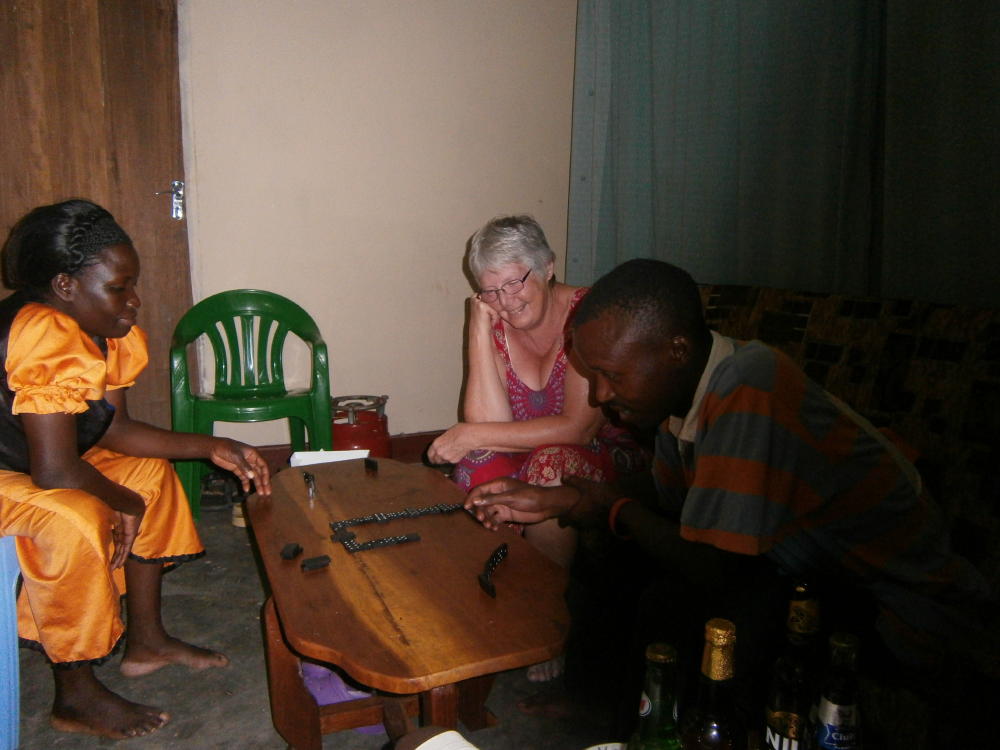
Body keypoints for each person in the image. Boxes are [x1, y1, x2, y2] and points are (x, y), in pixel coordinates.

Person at [464, 258, 993, 737]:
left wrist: (607, 508)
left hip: (896, 603)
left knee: (684, 597)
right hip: (809, 564)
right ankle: (611, 708)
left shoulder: (749, 387)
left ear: (676, 350)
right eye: (592, 376)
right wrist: (559, 500)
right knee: (622, 552)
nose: (600, 395)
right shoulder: (681, 397)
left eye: (611, 375)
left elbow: (716, 565)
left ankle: (645, 724)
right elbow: (668, 495)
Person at [0, 199, 272, 739]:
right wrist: (120, 501)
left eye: (133, 284)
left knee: (149, 474)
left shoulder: (104, 328)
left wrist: (210, 446)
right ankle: (74, 694)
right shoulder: (43, 332)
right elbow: (54, 471)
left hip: (37, 462)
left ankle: (147, 641)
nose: (134, 300)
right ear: (65, 286)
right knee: (75, 519)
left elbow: (114, 429)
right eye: (118, 288)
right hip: (15, 469)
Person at [426, 216, 647, 684]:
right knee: (477, 462)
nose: (506, 301)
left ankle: (549, 617)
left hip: (604, 454)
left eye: (514, 283)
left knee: (549, 462)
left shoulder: (590, 314)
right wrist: (477, 328)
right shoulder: (494, 316)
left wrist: (471, 434)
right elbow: (486, 427)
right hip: (527, 448)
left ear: (547, 267)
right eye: (490, 291)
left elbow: (577, 429)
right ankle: (495, 598)